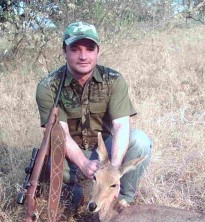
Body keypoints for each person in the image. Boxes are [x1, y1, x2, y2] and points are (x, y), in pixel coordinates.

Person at [36, 21, 152, 206]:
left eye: (90, 49)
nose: (83, 56)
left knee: (140, 141)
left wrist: (113, 169)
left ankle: (122, 201)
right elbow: (61, 134)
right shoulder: (48, 87)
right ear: (64, 51)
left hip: (104, 149)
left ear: (98, 51)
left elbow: (121, 125)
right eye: (75, 49)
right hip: (70, 150)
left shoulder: (113, 80)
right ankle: (72, 199)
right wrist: (83, 163)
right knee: (53, 167)